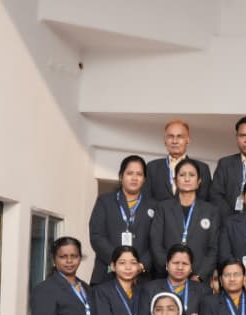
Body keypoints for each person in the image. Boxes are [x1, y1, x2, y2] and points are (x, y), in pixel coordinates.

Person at [88, 155, 156, 285]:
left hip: (140, 278)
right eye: (130, 173)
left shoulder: (154, 206)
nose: (134, 178)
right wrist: (118, 261)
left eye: (139, 174)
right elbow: (97, 236)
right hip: (107, 274)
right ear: (121, 176)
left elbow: (156, 241)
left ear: (144, 179)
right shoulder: (105, 201)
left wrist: (141, 265)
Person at [149, 158, 220, 282]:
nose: (187, 179)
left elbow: (213, 249)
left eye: (191, 175)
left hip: (197, 280)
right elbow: (156, 244)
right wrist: (170, 270)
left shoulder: (211, 211)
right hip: (166, 278)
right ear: (175, 181)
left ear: (199, 181)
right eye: (182, 175)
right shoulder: (163, 208)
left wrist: (199, 276)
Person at [140, 244, 207, 315]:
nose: (180, 267)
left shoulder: (204, 291)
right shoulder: (150, 289)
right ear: (167, 265)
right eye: (175, 263)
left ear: (191, 268)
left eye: (185, 264)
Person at [146, 119, 212, 203]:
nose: (174, 141)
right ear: (165, 140)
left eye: (179, 136)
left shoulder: (202, 168)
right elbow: (146, 200)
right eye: (170, 136)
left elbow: (204, 202)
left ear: (188, 140)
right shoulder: (152, 167)